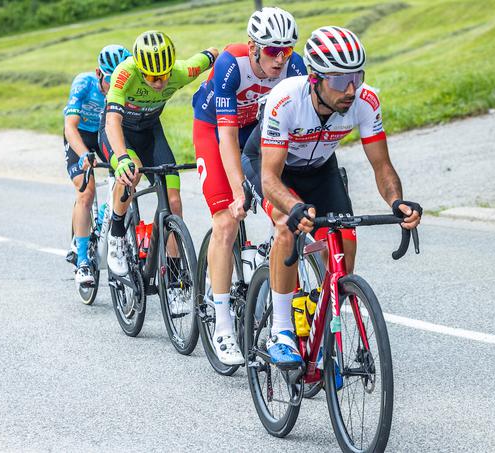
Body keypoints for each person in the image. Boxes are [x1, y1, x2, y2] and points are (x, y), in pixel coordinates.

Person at [241, 26, 422, 368]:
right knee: (285, 225)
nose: (351, 89)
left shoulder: (365, 101)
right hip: (270, 167)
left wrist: (397, 202)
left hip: (321, 169)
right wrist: (294, 208)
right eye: (340, 81)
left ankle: (318, 324)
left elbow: (382, 166)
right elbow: (269, 176)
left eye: (357, 76)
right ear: (315, 79)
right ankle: (280, 331)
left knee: (343, 248)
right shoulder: (286, 100)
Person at [191, 7, 305, 365]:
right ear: (254, 47)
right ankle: (222, 323)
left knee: (287, 213)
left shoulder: (294, 66)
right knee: (226, 220)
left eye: (286, 50)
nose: (280, 59)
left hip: (256, 132)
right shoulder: (231, 64)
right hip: (215, 129)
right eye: (273, 51)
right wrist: (239, 190)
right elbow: (226, 137)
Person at [100, 30, 218, 289]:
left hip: (151, 133)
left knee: (174, 202)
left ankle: (175, 276)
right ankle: (117, 235)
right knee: (133, 172)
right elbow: (112, 121)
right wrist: (121, 159)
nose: (160, 82)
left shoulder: (180, 72)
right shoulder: (125, 74)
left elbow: (212, 56)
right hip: (119, 133)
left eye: (164, 75)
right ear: (140, 69)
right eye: (153, 77)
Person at [64, 45, 132, 285]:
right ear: (98, 73)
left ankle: (106, 218)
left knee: (123, 181)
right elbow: (69, 126)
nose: (113, 88)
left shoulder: (126, 83)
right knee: (87, 191)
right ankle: (82, 261)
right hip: (81, 136)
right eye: (109, 81)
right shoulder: (84, 84)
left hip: (107, 134)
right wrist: (83, 154)